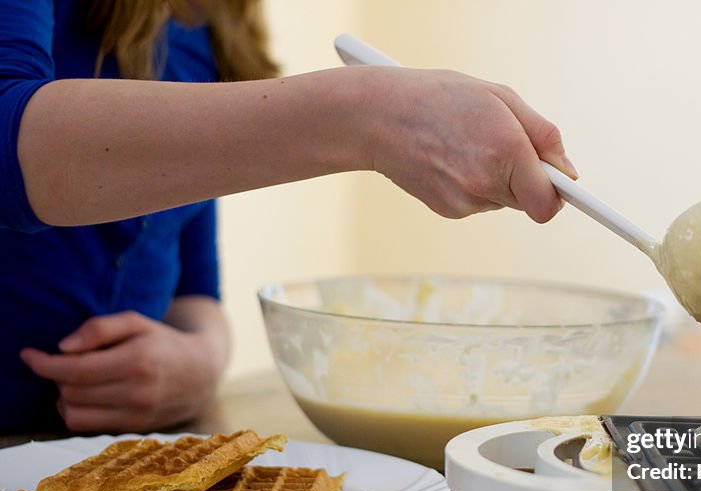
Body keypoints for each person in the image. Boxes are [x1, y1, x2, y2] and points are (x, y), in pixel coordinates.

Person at [0, 0, 576, 434]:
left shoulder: (214, 20)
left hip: (100, 470)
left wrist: (201, 361)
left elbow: (191, 279)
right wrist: (364, 116)